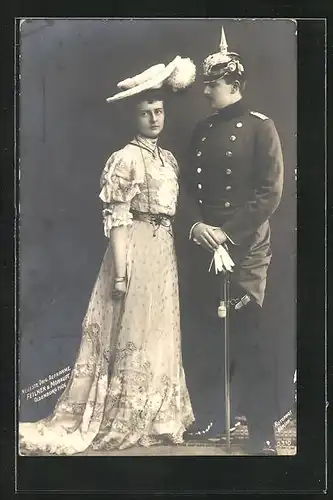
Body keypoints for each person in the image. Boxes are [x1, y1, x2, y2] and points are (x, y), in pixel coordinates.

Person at [19, 55, 196, 455]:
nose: (154, 119)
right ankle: (123, 413)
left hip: (162, 251)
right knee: (129, 331)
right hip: (132, 249)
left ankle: (157, 416)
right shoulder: (126, 159)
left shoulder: (166, 159)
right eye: (146, 113)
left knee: (158, 331)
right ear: (133, 118)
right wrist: (120, 272)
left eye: (159, 111)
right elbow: (117, 218)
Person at [179, 27, 284, 455]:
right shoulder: (201, 130)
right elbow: (182, 187)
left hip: (244, 246)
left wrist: (229, 233)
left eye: (213, 84)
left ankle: (261, 429)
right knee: (207, 334)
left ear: (234, 86)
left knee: (249, 336)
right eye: (205, 83)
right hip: (205, 243)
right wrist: (196, 226)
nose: (206, 91)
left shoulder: (262, 128)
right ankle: (212, 417)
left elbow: (270, 192)